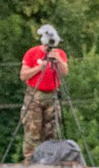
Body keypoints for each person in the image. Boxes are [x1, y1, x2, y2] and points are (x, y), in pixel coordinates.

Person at [20, 24, 68, 159]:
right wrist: (39, 68)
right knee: (33, 128)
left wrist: (58, 59)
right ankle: (30, 158)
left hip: (52, 95)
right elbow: (23, 75)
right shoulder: (32, 53)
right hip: (35, 94)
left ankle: (49, 157)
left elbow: (64, 72)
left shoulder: (59, 54)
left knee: (50, 129)